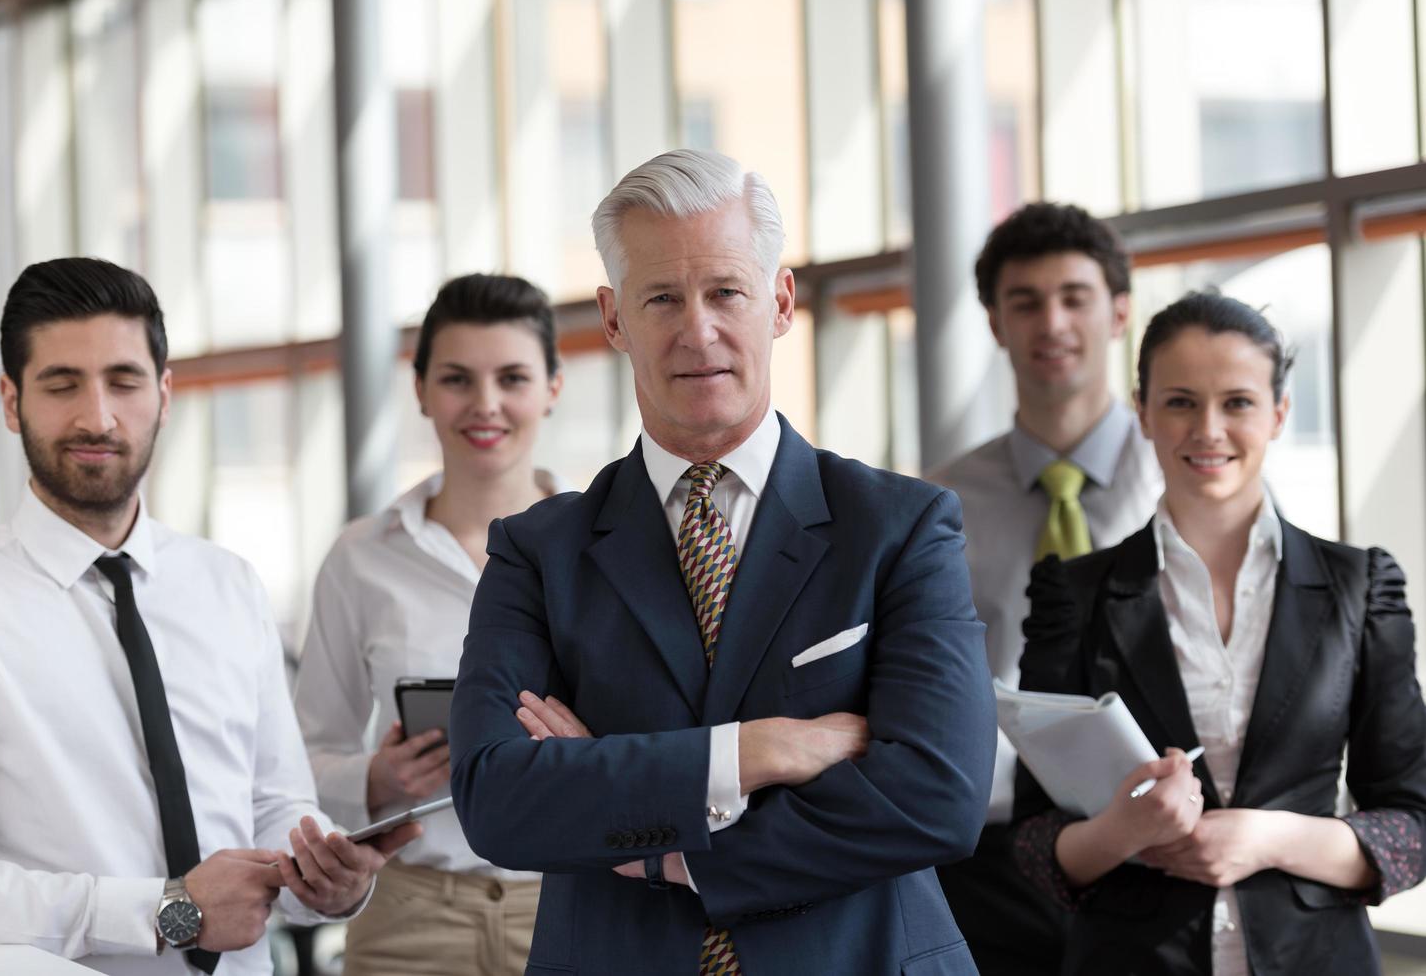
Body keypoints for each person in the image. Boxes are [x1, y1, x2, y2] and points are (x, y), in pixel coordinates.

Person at [447, 148, 995, 976]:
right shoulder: (537, 552)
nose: (696, 330)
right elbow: (498, 801)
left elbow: (937, 799)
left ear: (778, 302)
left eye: (725, 292)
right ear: (613, 319)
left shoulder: (899, 527)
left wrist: (670, 851)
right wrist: (756, 752)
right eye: (661, 297)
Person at [0, 257, 418, 975]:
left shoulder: (227, 585)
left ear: (165, 394)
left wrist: (329, 880)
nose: (98, 416)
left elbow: (274, 805)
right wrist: (170, 910)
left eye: (124, 380)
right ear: (12, 402)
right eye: (61, 383)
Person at [1011, 292, 1426, 975]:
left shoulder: (1361, 588)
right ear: (1141, 412)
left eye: (1236, 402)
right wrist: (1123, 832)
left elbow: (1411, 828)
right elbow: (1031, 843)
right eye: (1179, 402)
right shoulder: (1071, 595)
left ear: (1278, 413)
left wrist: (1265, 838)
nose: (1207, 429)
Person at [294, 273, 570, 976]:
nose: (485, 405)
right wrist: (377, 778)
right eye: (456, 379)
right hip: (409, 918)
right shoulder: (361, 558)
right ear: (419, 391)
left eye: (511, 377)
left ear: (551, 387)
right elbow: (299, 760)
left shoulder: (609, 549)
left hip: (575, 905)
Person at [933, 201, 1162, 974]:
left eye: (1073, 297)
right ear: (995, 324)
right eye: (1023, 302)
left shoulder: (1181, 482)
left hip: (1154, 834)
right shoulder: (942, 504)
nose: (1050, 323)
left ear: (1119, 313)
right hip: (989, 858)